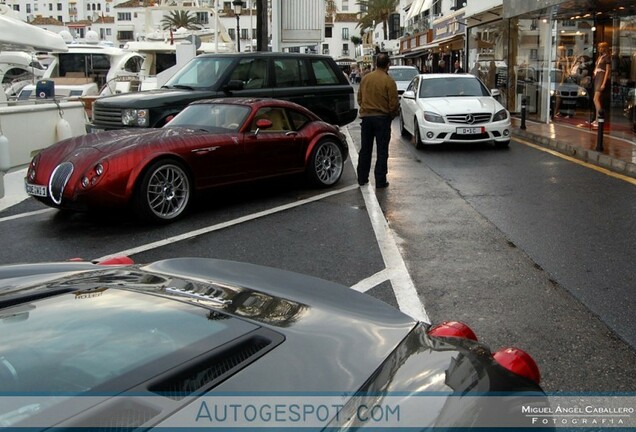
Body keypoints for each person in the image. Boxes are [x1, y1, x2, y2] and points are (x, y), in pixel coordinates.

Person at [356, 53, 399, 189]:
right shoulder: (389, 81)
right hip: (382, 118)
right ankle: (380, 180)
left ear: (375, 64)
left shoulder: (365, 79)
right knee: (382, 150)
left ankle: (362, 177)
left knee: (365, 149)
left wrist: (366, 108)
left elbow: (360, 98)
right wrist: (391, 115)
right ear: (388, 65)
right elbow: (394, 103)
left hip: (367, 118)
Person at [592, 41, 611, 130]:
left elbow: (607, 71)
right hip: (597, 77)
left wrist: (604, 83)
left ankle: (599, 119)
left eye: (601, 47)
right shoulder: (600, 57)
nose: (600, 49)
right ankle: (596, 119)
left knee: (596, 99)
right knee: (596, 99)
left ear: (604, 48)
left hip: (601, 77)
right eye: (599, 47)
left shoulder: (607, 57)